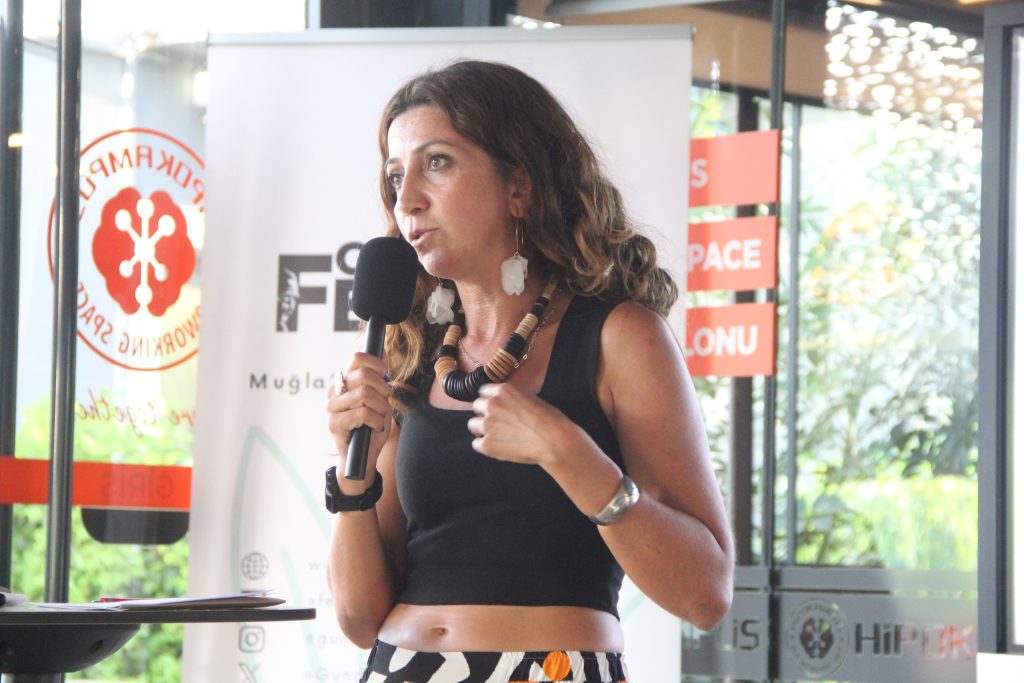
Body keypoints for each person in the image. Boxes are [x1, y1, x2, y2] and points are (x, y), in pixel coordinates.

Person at [326, 59, 733, 683]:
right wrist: (351, 478)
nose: (407, 200)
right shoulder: (410, 354)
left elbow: (705, 595)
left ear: (520, 185)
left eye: (438, 162)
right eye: (396, 174)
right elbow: (360, 620)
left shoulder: (621, 337)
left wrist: (569, 453)